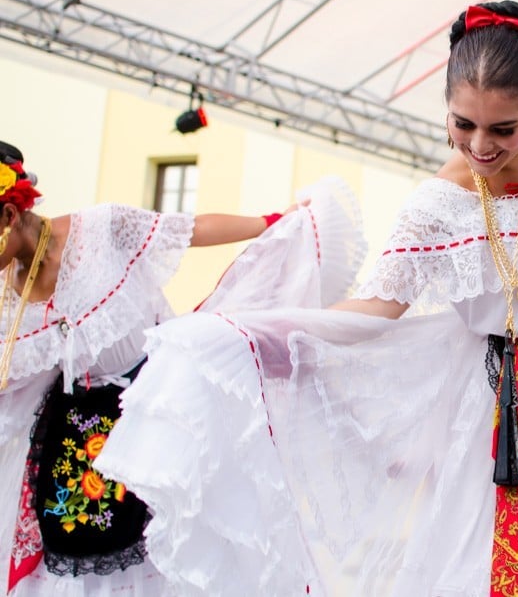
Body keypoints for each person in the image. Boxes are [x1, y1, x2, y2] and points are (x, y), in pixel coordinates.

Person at [94, 0, 518, 596]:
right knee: (516, 573)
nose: (480, 146)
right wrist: (261, 337)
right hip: (514, 412)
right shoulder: (436, 208)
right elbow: (377, 308)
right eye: (463, 125)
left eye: (503, 129)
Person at [0, 139, 333, 597]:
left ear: (8, 216)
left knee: (172, 538)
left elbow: (189, 229)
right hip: (76, 437)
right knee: (76, 554)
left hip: (154, 409)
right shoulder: (6, 294)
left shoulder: (100, 230)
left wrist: (273, 222)